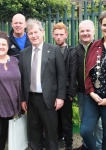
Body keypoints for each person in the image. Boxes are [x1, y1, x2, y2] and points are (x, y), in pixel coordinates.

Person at [19, 18, 66, 150]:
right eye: (30, 33)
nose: (33, 36)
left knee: (51, 131)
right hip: (31, 99)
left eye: (35, 32)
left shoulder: (54, 49)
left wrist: (60, 97)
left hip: (49, 99)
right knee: (34, 131)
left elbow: (61, 76)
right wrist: (23, 98)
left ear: (42, 32)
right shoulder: (24, 53)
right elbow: (22, 78)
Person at [73, 20, 102, 150]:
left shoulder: (99, 47)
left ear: (94, 31)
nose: (85, 33)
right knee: (85, 123)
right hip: (82, 92)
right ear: (78, 33)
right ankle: (86, 145)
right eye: (82, 31)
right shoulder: (75, 50)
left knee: (100, 124)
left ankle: (99, 145)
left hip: (100, 93)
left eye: (88, 30)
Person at [80, 11, 106, 150]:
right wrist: (90, 91)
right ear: (101, 26)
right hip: (93, 96)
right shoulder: (94, 45)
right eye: (105, 24)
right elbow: (87, 72)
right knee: (85, 131)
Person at [52, 22, 77, 150]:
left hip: (67, 92)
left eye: (61, 34)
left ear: (66, 35)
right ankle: (57, 141)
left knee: (66, 120)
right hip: (53, 92)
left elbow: (73, 74)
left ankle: (68, 144)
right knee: (55, 120)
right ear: (52, 35)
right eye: (56, 34)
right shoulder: (50, 50)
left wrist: (71, 94)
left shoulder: (72, 52)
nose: (59, 37)